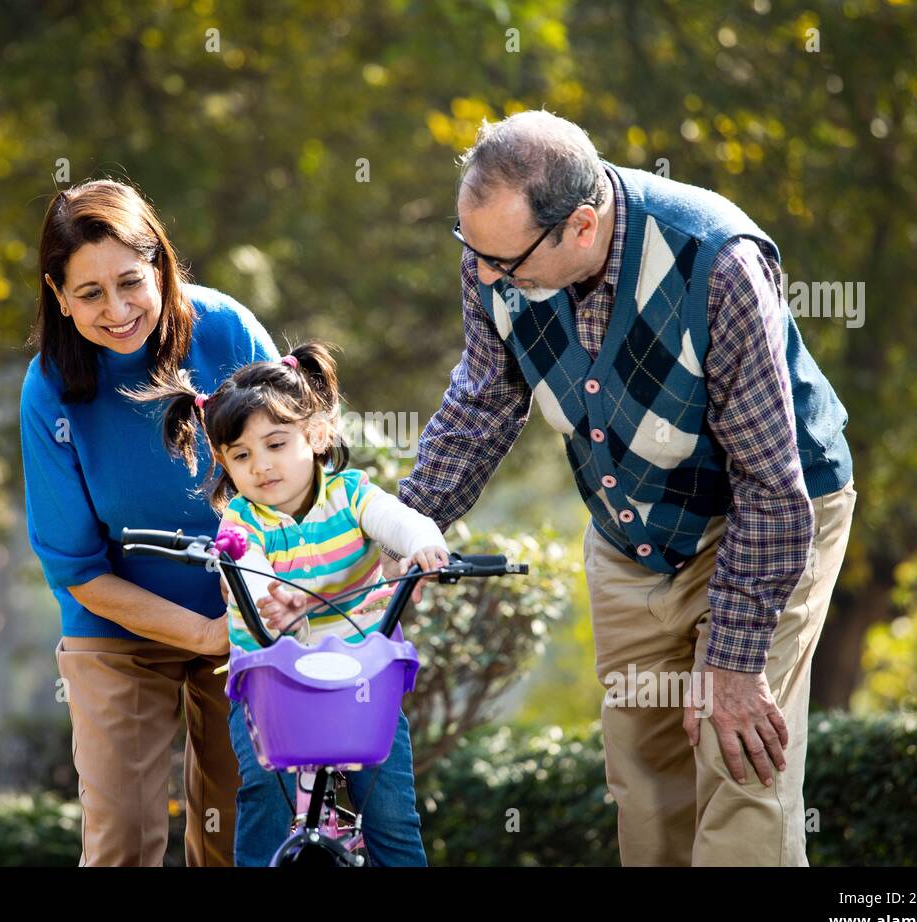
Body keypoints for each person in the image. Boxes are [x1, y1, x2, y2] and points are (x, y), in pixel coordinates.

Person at [396, 110, 856, 866]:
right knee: (643, 768)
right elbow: (482, 402)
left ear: (581, 225)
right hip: (630, 522)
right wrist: (403, 527)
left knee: (737, 748)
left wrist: (734, 662)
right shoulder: (496, 251)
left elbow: (772, 487)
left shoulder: (718, 264)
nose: (483, 277)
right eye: (470, 252)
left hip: (766, 516)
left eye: (502, 264)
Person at [20, 178, 277, 865]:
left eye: (131, 282)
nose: (117, 310)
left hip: (243, 614)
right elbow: (77, 569)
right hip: (116, 627)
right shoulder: (49, 389)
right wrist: (199, 633)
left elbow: (294, 479)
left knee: (236, 833)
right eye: (89, 293)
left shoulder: (227, 331)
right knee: (122, 841)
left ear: (160, 265)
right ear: (57, 296)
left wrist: (244, 625)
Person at [140, 341, 445, 866]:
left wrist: (422, 544)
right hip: (272, 685)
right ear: (224, 464)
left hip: (360, 680)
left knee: (392, 809)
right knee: (262, 792)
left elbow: (398, 519)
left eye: (276, 444)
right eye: (241, 455)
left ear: (318, 433)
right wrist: (267, 604)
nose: (261, 466)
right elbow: (248, 565)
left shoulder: (351, 495)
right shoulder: (243, 520)